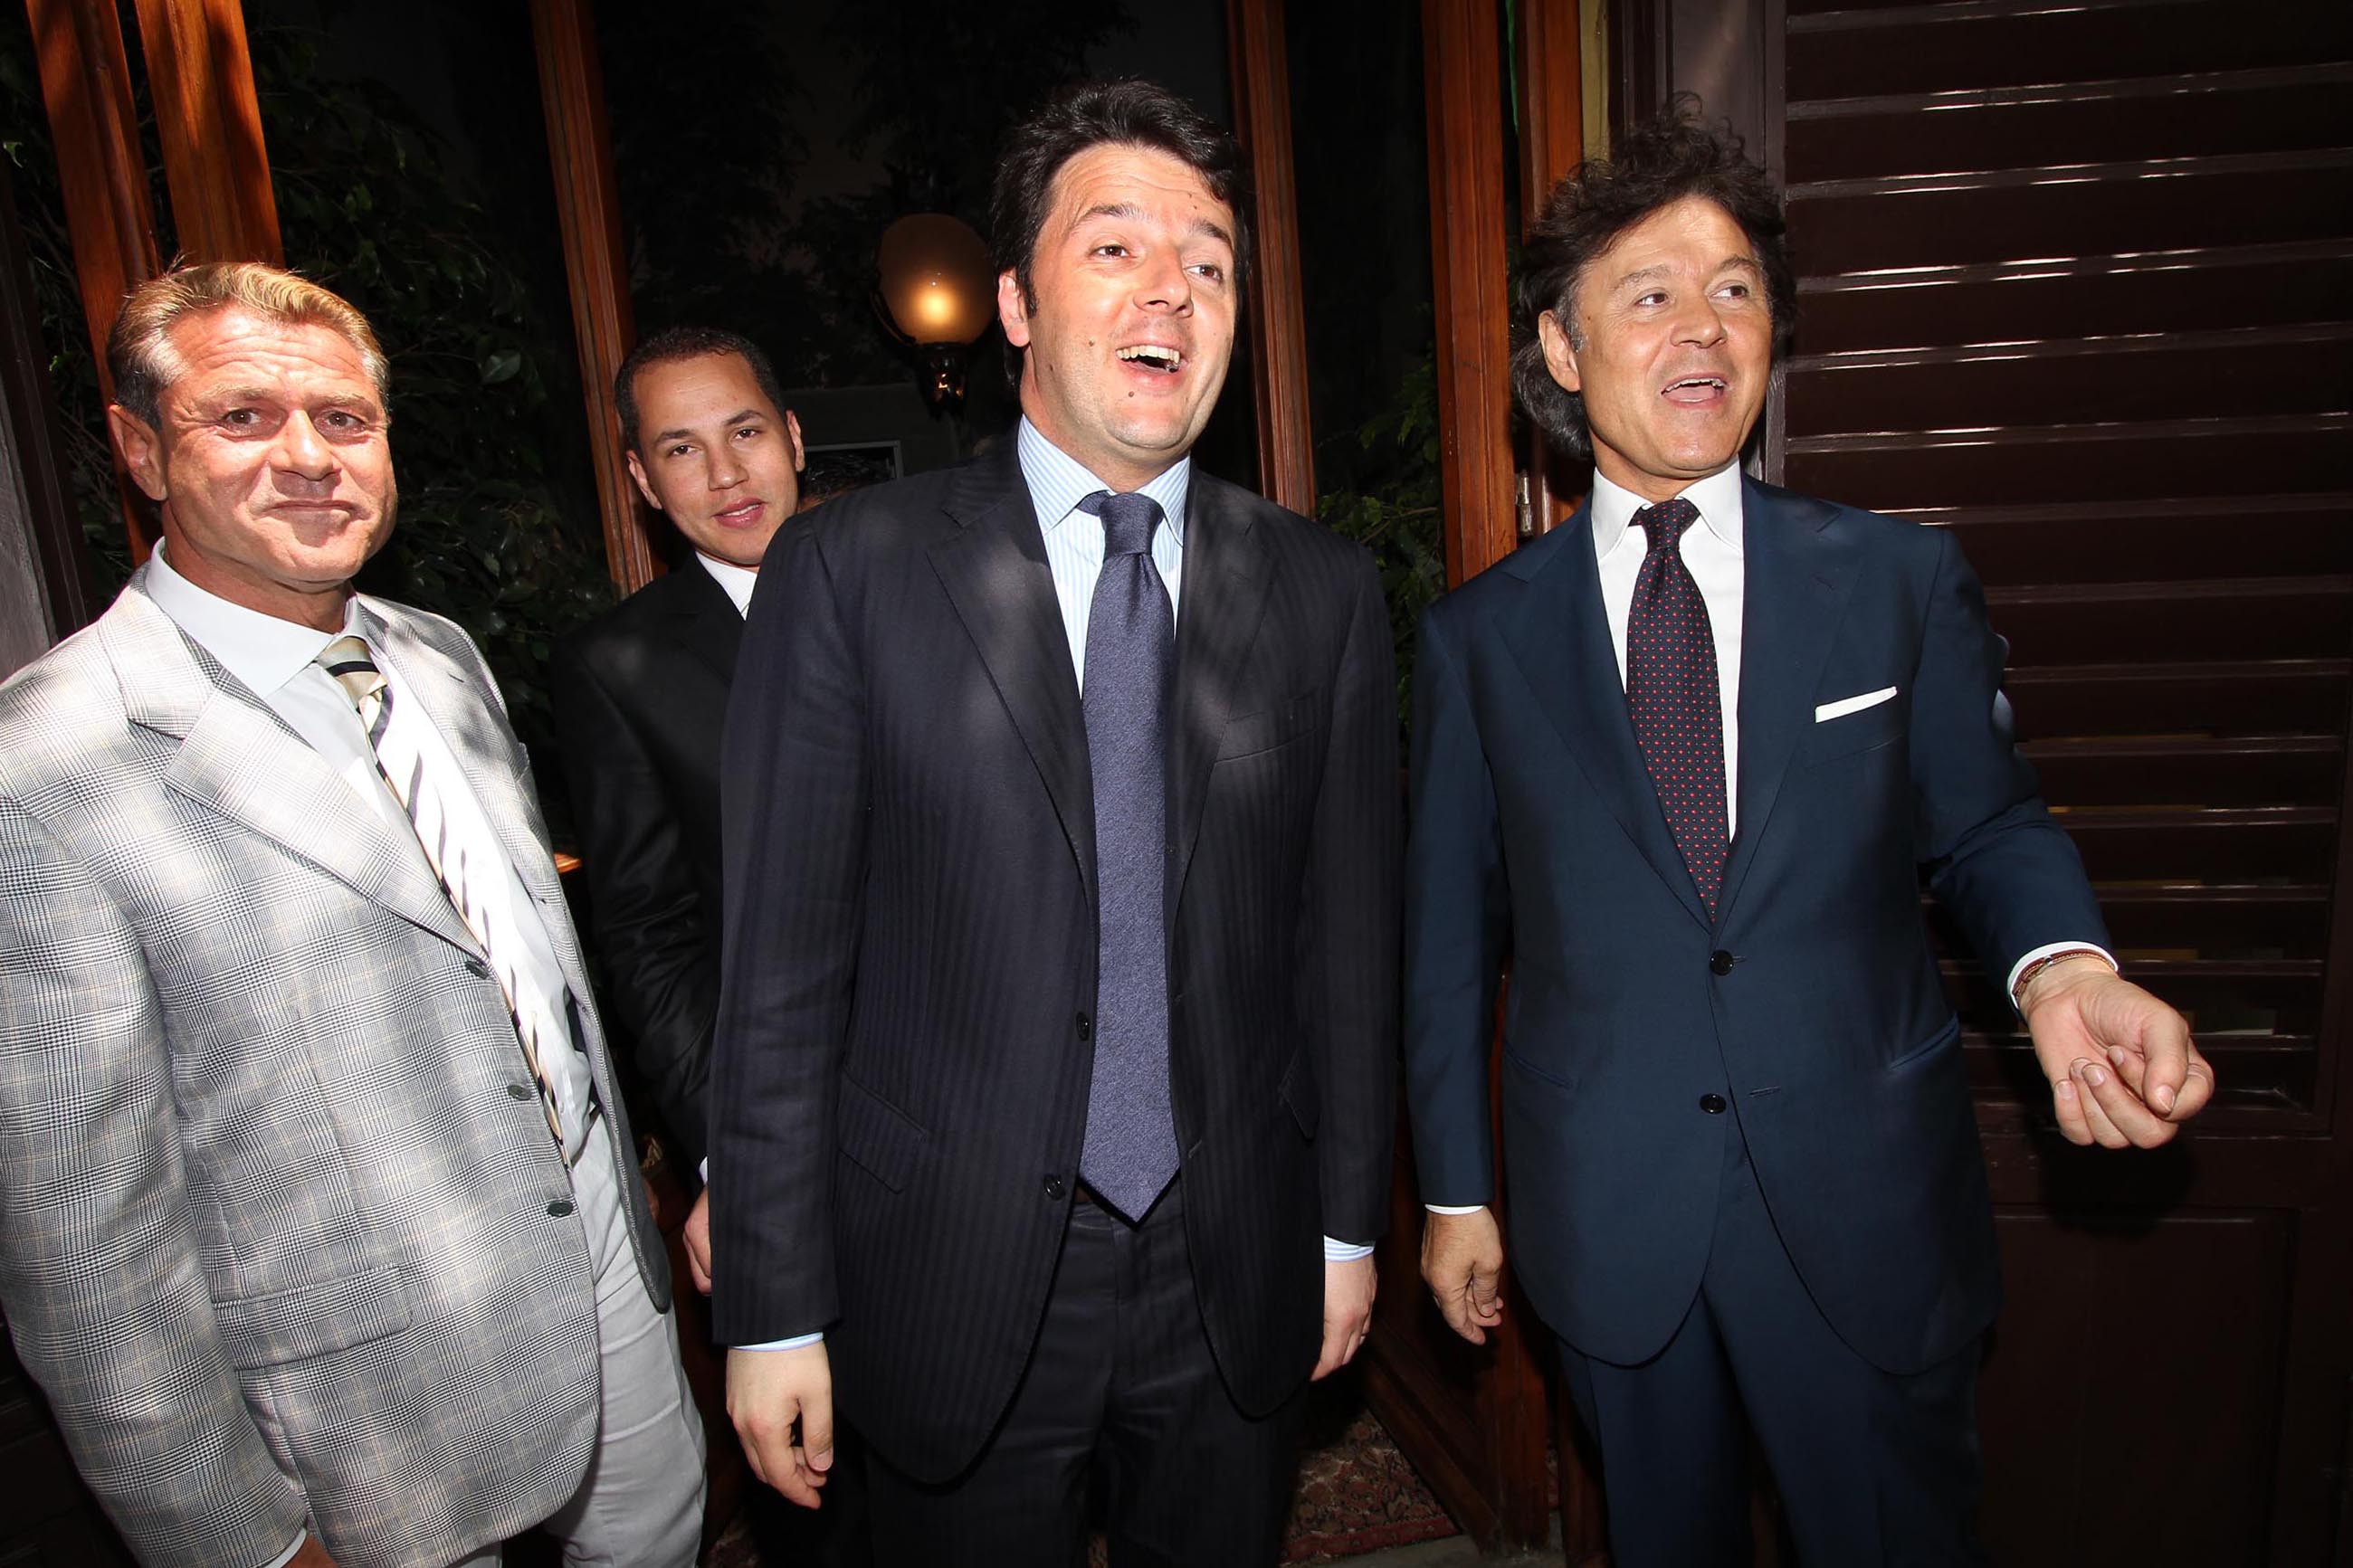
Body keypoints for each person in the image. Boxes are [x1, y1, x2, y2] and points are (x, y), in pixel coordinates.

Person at [1404, 103, 2215, 1564]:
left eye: (1735, 289)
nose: (1703, 327)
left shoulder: (1893, 581)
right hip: (1610, 1215)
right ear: (1564, 351)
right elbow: (1448, 944)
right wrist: (1458, 1189)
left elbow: (1989, 824)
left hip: (1864, 1201)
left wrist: (2062, 967)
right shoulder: (1476, 641)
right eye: (1648, 295)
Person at [709, 79, 1401, 1566]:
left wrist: (1347, 1227)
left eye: (1210, 262)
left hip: (1233, 1252)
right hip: (947, 1263)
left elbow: (1344, 953)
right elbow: (778, 975)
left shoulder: (1324, 594)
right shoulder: (848, 574)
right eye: (1117, 248)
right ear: (1016, 302)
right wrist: (771, 1302)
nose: (1172, 289)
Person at [0, 261, 704, 1568]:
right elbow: (87, 1260)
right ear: (141, 449)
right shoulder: (45, 773)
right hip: (370, 1424)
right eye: (245, 418)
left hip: (610, 1296)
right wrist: (245, 1547)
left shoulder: (435, 655)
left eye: (344, 419)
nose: (309, 459)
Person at [552, 325, 807, 1280]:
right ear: (642, 481)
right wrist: (727, 1152)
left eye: (743, 432)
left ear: (791, 435)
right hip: (802, 1122)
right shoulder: (618, 667)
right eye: (680, 449)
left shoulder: (933, 599)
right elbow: (649, 934)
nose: (725, 474)